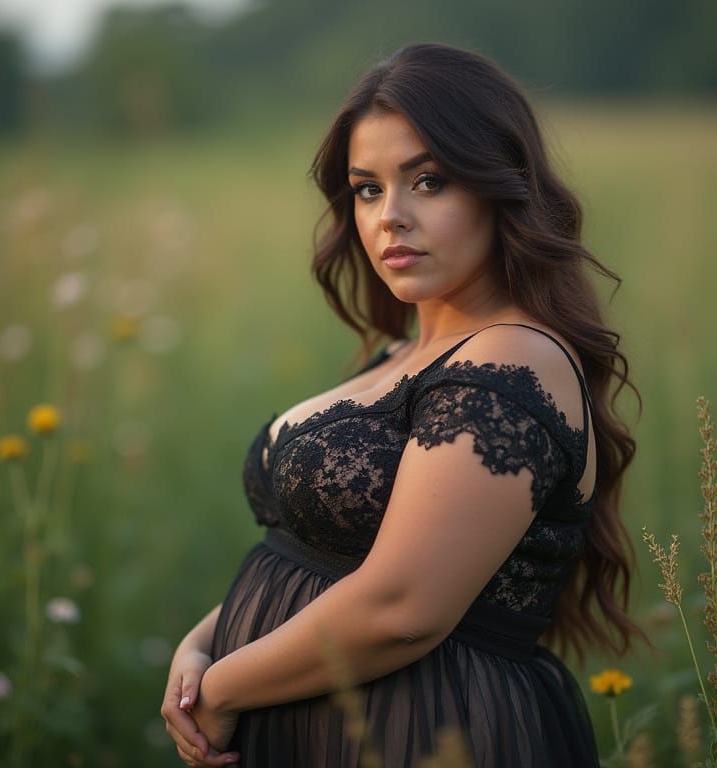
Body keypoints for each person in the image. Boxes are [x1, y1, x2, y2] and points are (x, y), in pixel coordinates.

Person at [161, 42, 645, 767]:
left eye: (429, 180)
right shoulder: (402, 357)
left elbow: (403, 611)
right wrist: (202, 641)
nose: (391, 217)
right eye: (367, 188)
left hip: (423, 734)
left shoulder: (511, 361)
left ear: (499, 186)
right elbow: (319, 557)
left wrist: (223, 689)